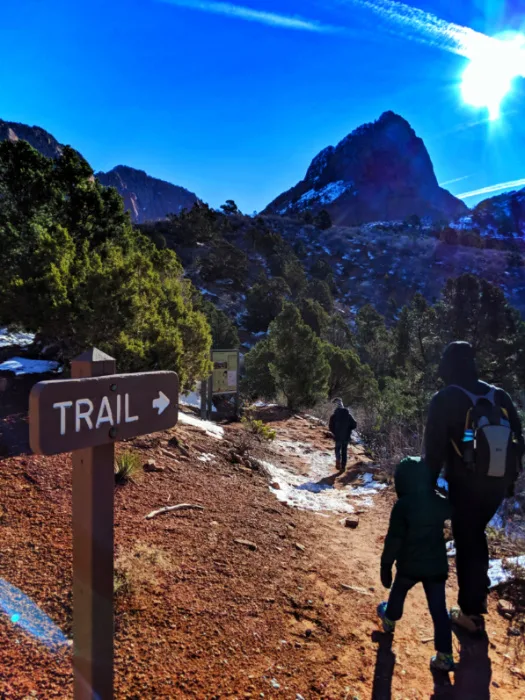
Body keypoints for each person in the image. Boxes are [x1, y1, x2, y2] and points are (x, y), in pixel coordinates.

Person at [424, 341, 524, 634]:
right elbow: (518, 440)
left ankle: (471, 612)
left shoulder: (445, 397)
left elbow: (434, 450)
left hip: (465, 484)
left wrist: (426, 487)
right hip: (496, 484)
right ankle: (477, 595)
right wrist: (508, 482)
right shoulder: (499, 395)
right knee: (475, 536)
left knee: (468, 540)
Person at [378, 456, 454, 672]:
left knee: (398, 593)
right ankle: (445, 655)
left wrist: (385, 565)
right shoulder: (438, 502)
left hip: (408, 566)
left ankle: (390, 619)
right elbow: (453, 509)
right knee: (439, 611)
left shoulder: (403, 506)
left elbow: (394, 540)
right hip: (436, 567)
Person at [328, 398, 356, 472]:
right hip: (346, 437)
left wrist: (335, 432)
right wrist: (348, 429)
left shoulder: (334, 416)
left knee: (337, 449)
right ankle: (343, 467)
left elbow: (330, 426)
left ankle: (338, 459)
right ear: (343, 406)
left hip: (338, 437)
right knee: (344, 451)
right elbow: (354, 425)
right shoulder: (348, 415)